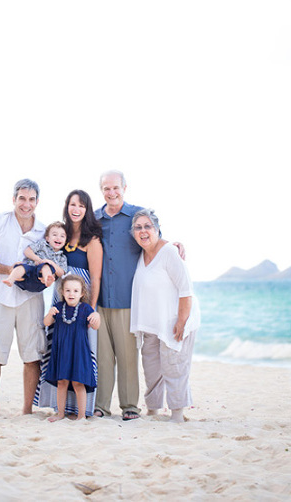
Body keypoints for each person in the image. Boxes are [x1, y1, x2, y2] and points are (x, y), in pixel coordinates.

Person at [93, 170, 185, 420]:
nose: (111, 193)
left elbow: (155, 240)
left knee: (127, 357)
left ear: (124, 187)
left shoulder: (136, 215)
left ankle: (130, 407)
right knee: (102, 357)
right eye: (106, 188)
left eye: (115, 187)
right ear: (101, 190)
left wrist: (174, 244)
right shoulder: (95, 219)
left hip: (128, 299)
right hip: (100, 299)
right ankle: (101, 406)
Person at [0, 179, 46, 419]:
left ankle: (27, 409)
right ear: (14, 199)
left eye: (31, 199)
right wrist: (11, 270)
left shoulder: (44, 231)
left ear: (37, 201)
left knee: (33, 355)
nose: (26, 204)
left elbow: (52, 262)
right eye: (22, 198)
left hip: (31, 299)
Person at [34, 190, 103, 418]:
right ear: (67, 206)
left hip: (82, 300)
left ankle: (83, 409)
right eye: (73, 204)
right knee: (59, 349)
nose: (77, 209)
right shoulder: (60, 234)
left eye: (82, 205)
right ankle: (58, 407)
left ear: (87, 209)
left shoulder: (91, 240)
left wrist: (91, 309)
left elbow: (96, 278)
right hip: (60, 296)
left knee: (82, 351)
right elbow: (44, 255)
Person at [129, 209, 200, 423]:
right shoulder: (141, 253)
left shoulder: (169, 252)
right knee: (151, 370)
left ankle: (177, 413)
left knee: (174, 366)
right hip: (151, 323)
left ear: (157, 229)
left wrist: (181, 321)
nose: (143, 231)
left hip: (175, 320)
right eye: (138, 227)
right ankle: (153, 410)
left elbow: (186, 290)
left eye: (147, 226)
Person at [43, 274, 101, 422]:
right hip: (62, 351)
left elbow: (95, 326)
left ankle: (81, 415)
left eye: (75, 291)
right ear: (62, 292)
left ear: (82, 293)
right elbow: (46, 322)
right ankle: (60, 413)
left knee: (78, 382)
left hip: (79, 351)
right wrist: (50, 314)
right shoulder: (58, 307)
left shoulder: (85, 308)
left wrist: (97, 317)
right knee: (62, 382)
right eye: (68, 290)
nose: (71, 294)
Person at [2, 221, 68, 292]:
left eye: (62, 236)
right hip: (28, 274)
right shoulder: (42, 244)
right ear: (47, 238)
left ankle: (47, 279)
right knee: (21, 267)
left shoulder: (62, 257)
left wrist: (51, 263)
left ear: (65, 240)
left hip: (39, 281)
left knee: (46, 266)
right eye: (55, 235)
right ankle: (10, 279)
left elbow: (62, 273)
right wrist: (38, 260)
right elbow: (27, 251)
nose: (58, 238)